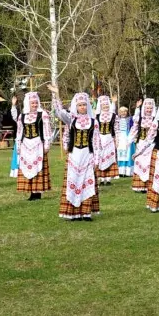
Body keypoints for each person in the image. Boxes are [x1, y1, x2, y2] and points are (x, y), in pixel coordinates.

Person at [51, 88, 99, 221]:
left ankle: (86, 212)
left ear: (87, 106)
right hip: (74, 154)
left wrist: (97, 159)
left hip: (87, 155)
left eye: (84, 105)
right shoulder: (71, 119)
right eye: (79, 105)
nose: (82, 107)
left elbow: (96, 142)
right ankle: (74, 213)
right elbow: (59, 113)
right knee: (74, 182)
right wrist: (56, 95)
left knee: (87, 182)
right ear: (76, 106)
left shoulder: (94, 122)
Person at [12, 91, 53, 200]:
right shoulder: (22, 115)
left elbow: (47, 130)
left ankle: (37, 192)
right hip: (26, 144)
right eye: (32, 103)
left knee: (38, 167)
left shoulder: (43, 114)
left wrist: (47, 144)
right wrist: (19, 145)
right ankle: (31, 191)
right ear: (28, 103)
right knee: (27, 167)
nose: (35, 105)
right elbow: (19, 131)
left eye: (36, 103)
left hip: (38, 144)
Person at [130, 98, 157, 194]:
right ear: (144, 108)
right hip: (141, 143)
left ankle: (150, 185)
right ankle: (140, 185)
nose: (149, 110)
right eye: (147, 108)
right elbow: (135, 128)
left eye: (151, 108)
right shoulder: (140, 118)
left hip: (151, 145)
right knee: (139, 163)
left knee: (150, 164)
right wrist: (129, 140)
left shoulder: (155, 119)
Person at [92, 95, 119, 185]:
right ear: (101, 106)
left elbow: (116, 129)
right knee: (100, 158)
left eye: (107, 105)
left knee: (109, 158)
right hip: (99, 138)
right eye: (104, 105)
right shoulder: (97, 116)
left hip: (109, 138)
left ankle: (108, 179)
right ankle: (101, 179)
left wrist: (117, 140)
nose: (106, 107)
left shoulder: (114, 116)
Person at [116, 105, 134, 177]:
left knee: (128, 153)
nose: (123, 113)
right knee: (121, 153)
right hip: (120, 137)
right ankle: (121, 171)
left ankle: (127, 171)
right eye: (122, 112)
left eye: (125, 111)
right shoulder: (117, 120)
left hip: (127, 136)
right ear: (119, 113)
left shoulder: (130, 119)